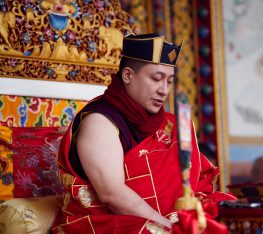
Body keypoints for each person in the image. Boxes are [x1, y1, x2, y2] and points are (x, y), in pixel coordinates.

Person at [52, 33, 236, 233]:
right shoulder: (100, 122)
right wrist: (171, 228)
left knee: (230, 215)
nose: (164, 90)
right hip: (111, 222)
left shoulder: (169, 124)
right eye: (156, 79)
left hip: (169, 218)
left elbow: (196, 183)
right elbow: (112, 195)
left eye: (169, 81)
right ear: (128, 75)